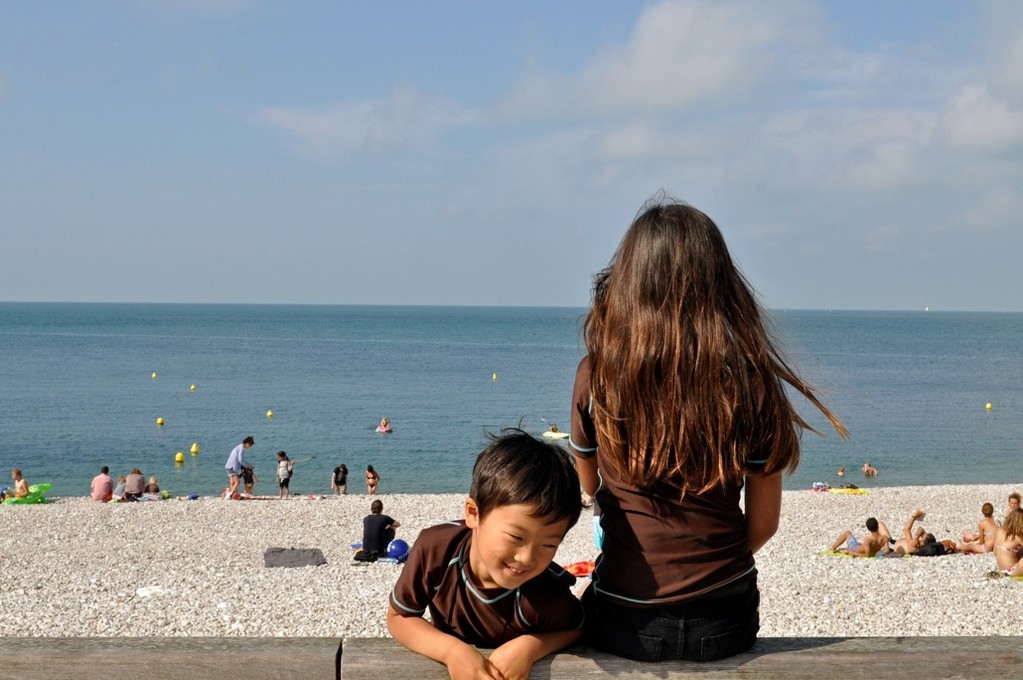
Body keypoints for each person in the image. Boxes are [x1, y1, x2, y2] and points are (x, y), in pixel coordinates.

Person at [569, 199, 847, 662]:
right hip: (726, 619)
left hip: (626, 617)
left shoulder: (596, 376)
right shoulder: (752, 382)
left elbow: (591, 487)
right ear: (719, 284)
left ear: (629, 283)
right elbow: (763, 525)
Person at [388, 429, 584, 679]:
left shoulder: (542, 593)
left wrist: (530, 647)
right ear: (473, 514)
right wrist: (453, 652)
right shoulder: (437, 549)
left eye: (548, 545)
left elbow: (577, 628)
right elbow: (399, 616)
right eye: (516, 537)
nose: (527, 558)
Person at [990, 509, 1023, 577]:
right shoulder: (1018, 537)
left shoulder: (1000, 531)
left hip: (1002, 570)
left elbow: (995, 552)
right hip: (1012, 571)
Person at [225, 436, 254, 500]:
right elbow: (240, 460)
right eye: (250, 445)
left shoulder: (238, 447)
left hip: (229, 466)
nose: (250, 447)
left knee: (232, 482)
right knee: (237, 482)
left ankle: (230, 493)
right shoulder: (242, 449)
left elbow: (240, 460)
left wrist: (248, 465)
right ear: (247, 443)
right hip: (232, 467)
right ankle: (229, 495)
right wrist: (248, 466)